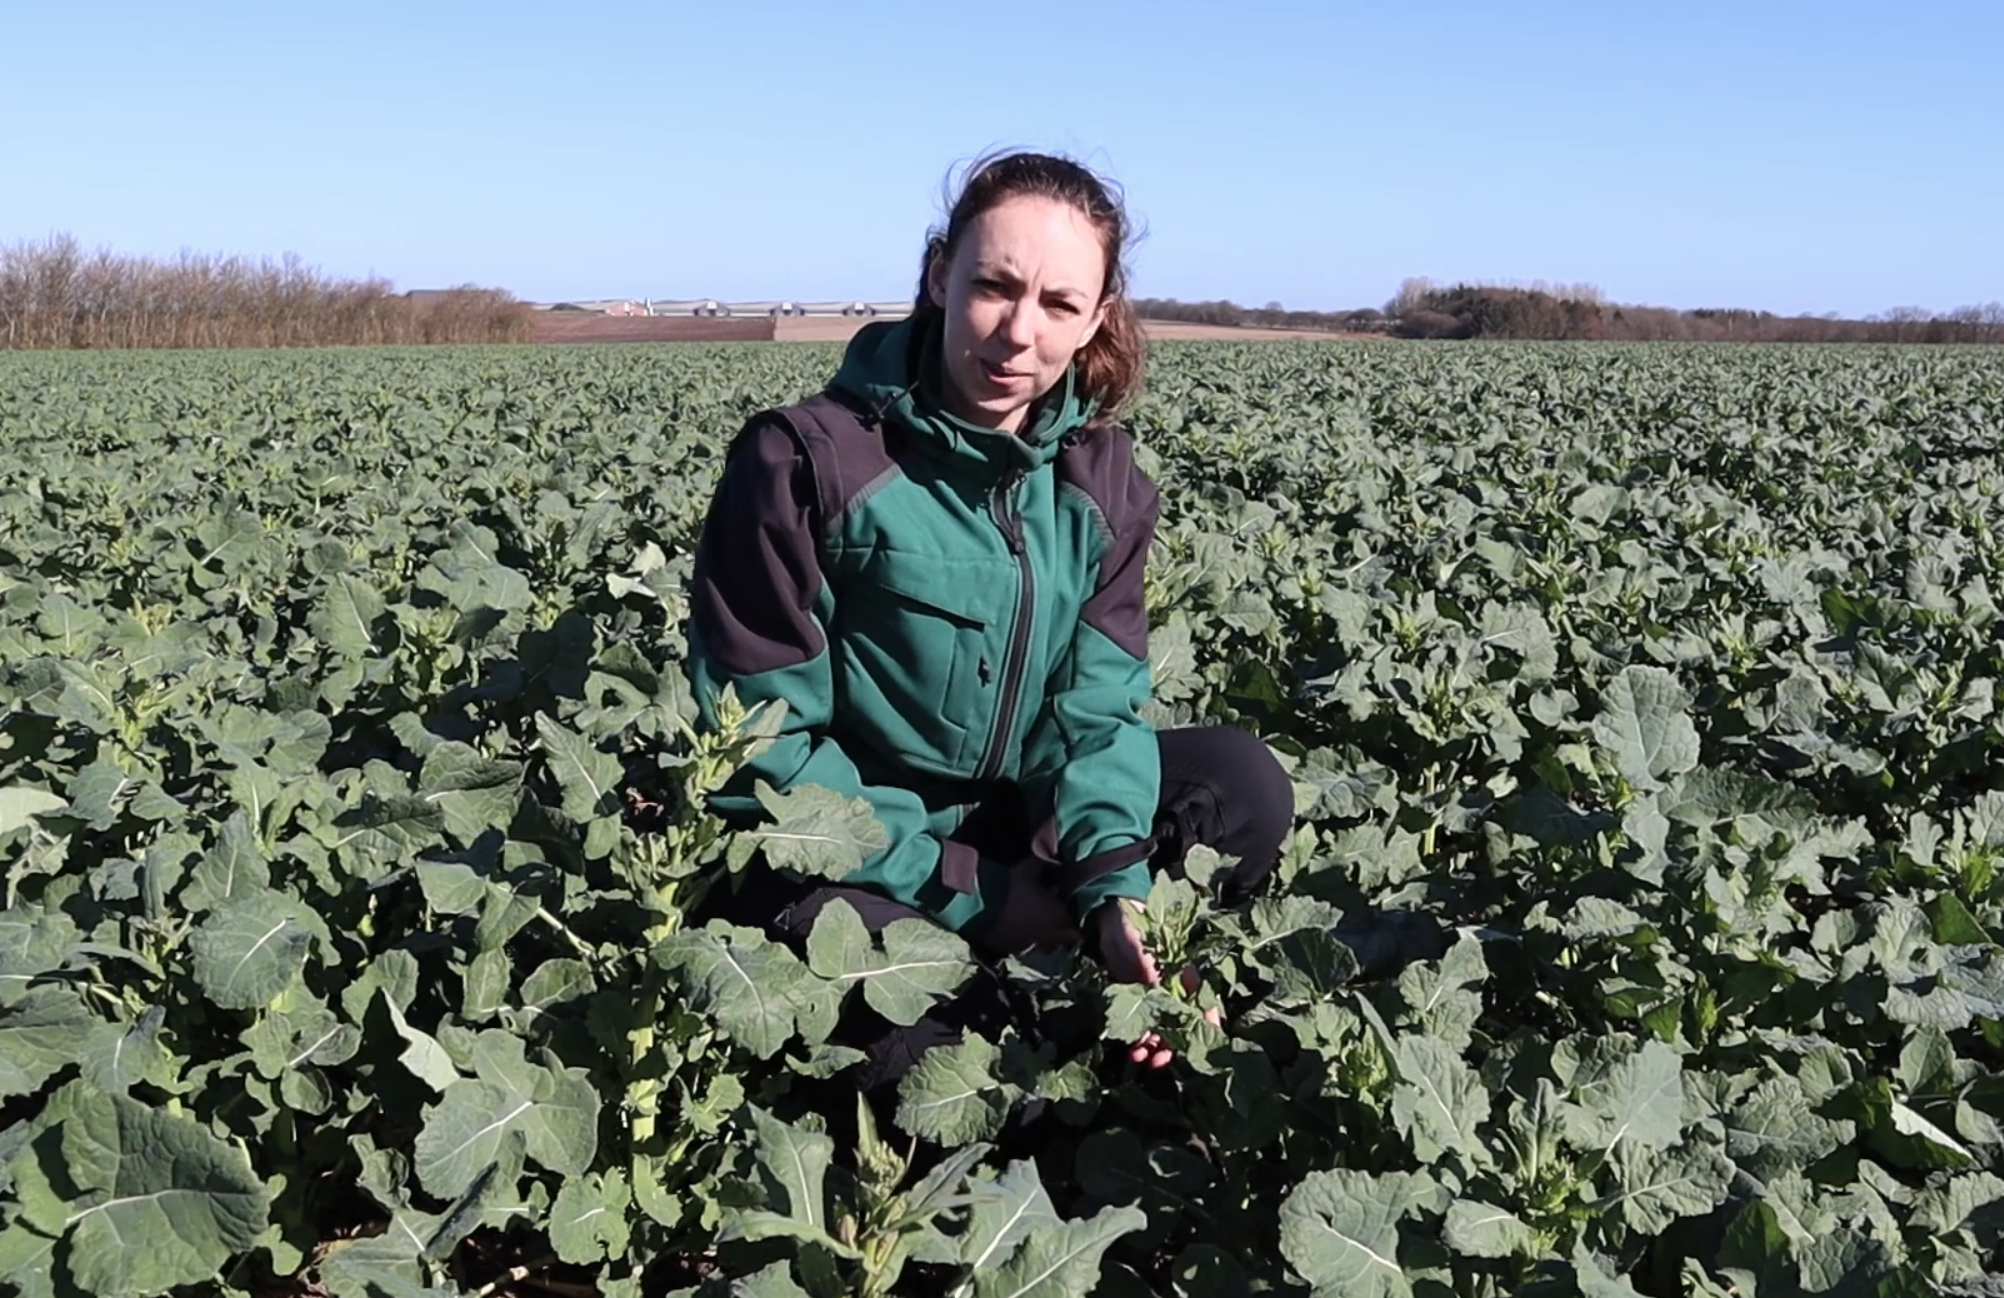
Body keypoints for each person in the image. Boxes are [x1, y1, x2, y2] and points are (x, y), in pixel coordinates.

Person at [682, 148, 1295, 1105]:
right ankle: (1007, 1006)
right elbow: (766, 753)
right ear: (938, 277)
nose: (1018, 333)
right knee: (962, 1092)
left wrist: (1113, 890)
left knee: (1241, 782)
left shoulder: (1100, 485)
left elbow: (1097, 715)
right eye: (993, 287)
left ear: (1096, 317)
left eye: (1058, 304)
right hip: (849, 852)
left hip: (1016, 826)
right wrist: (979, 895)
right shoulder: (807, 461)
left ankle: (1105, 982)